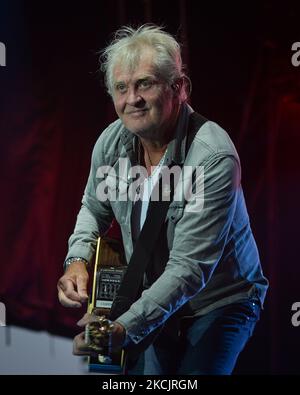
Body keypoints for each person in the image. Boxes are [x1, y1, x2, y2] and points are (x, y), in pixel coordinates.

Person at [57, 24, 268, 375]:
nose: (131, 99)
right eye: (121, 88)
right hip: (153, 291)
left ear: (179, 88)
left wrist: (124, 328)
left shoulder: (213, 156)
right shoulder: (111, 142)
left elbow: (188, 269)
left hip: (218, 300)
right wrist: (77, 259)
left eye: (145, 84)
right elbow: (93, 208)